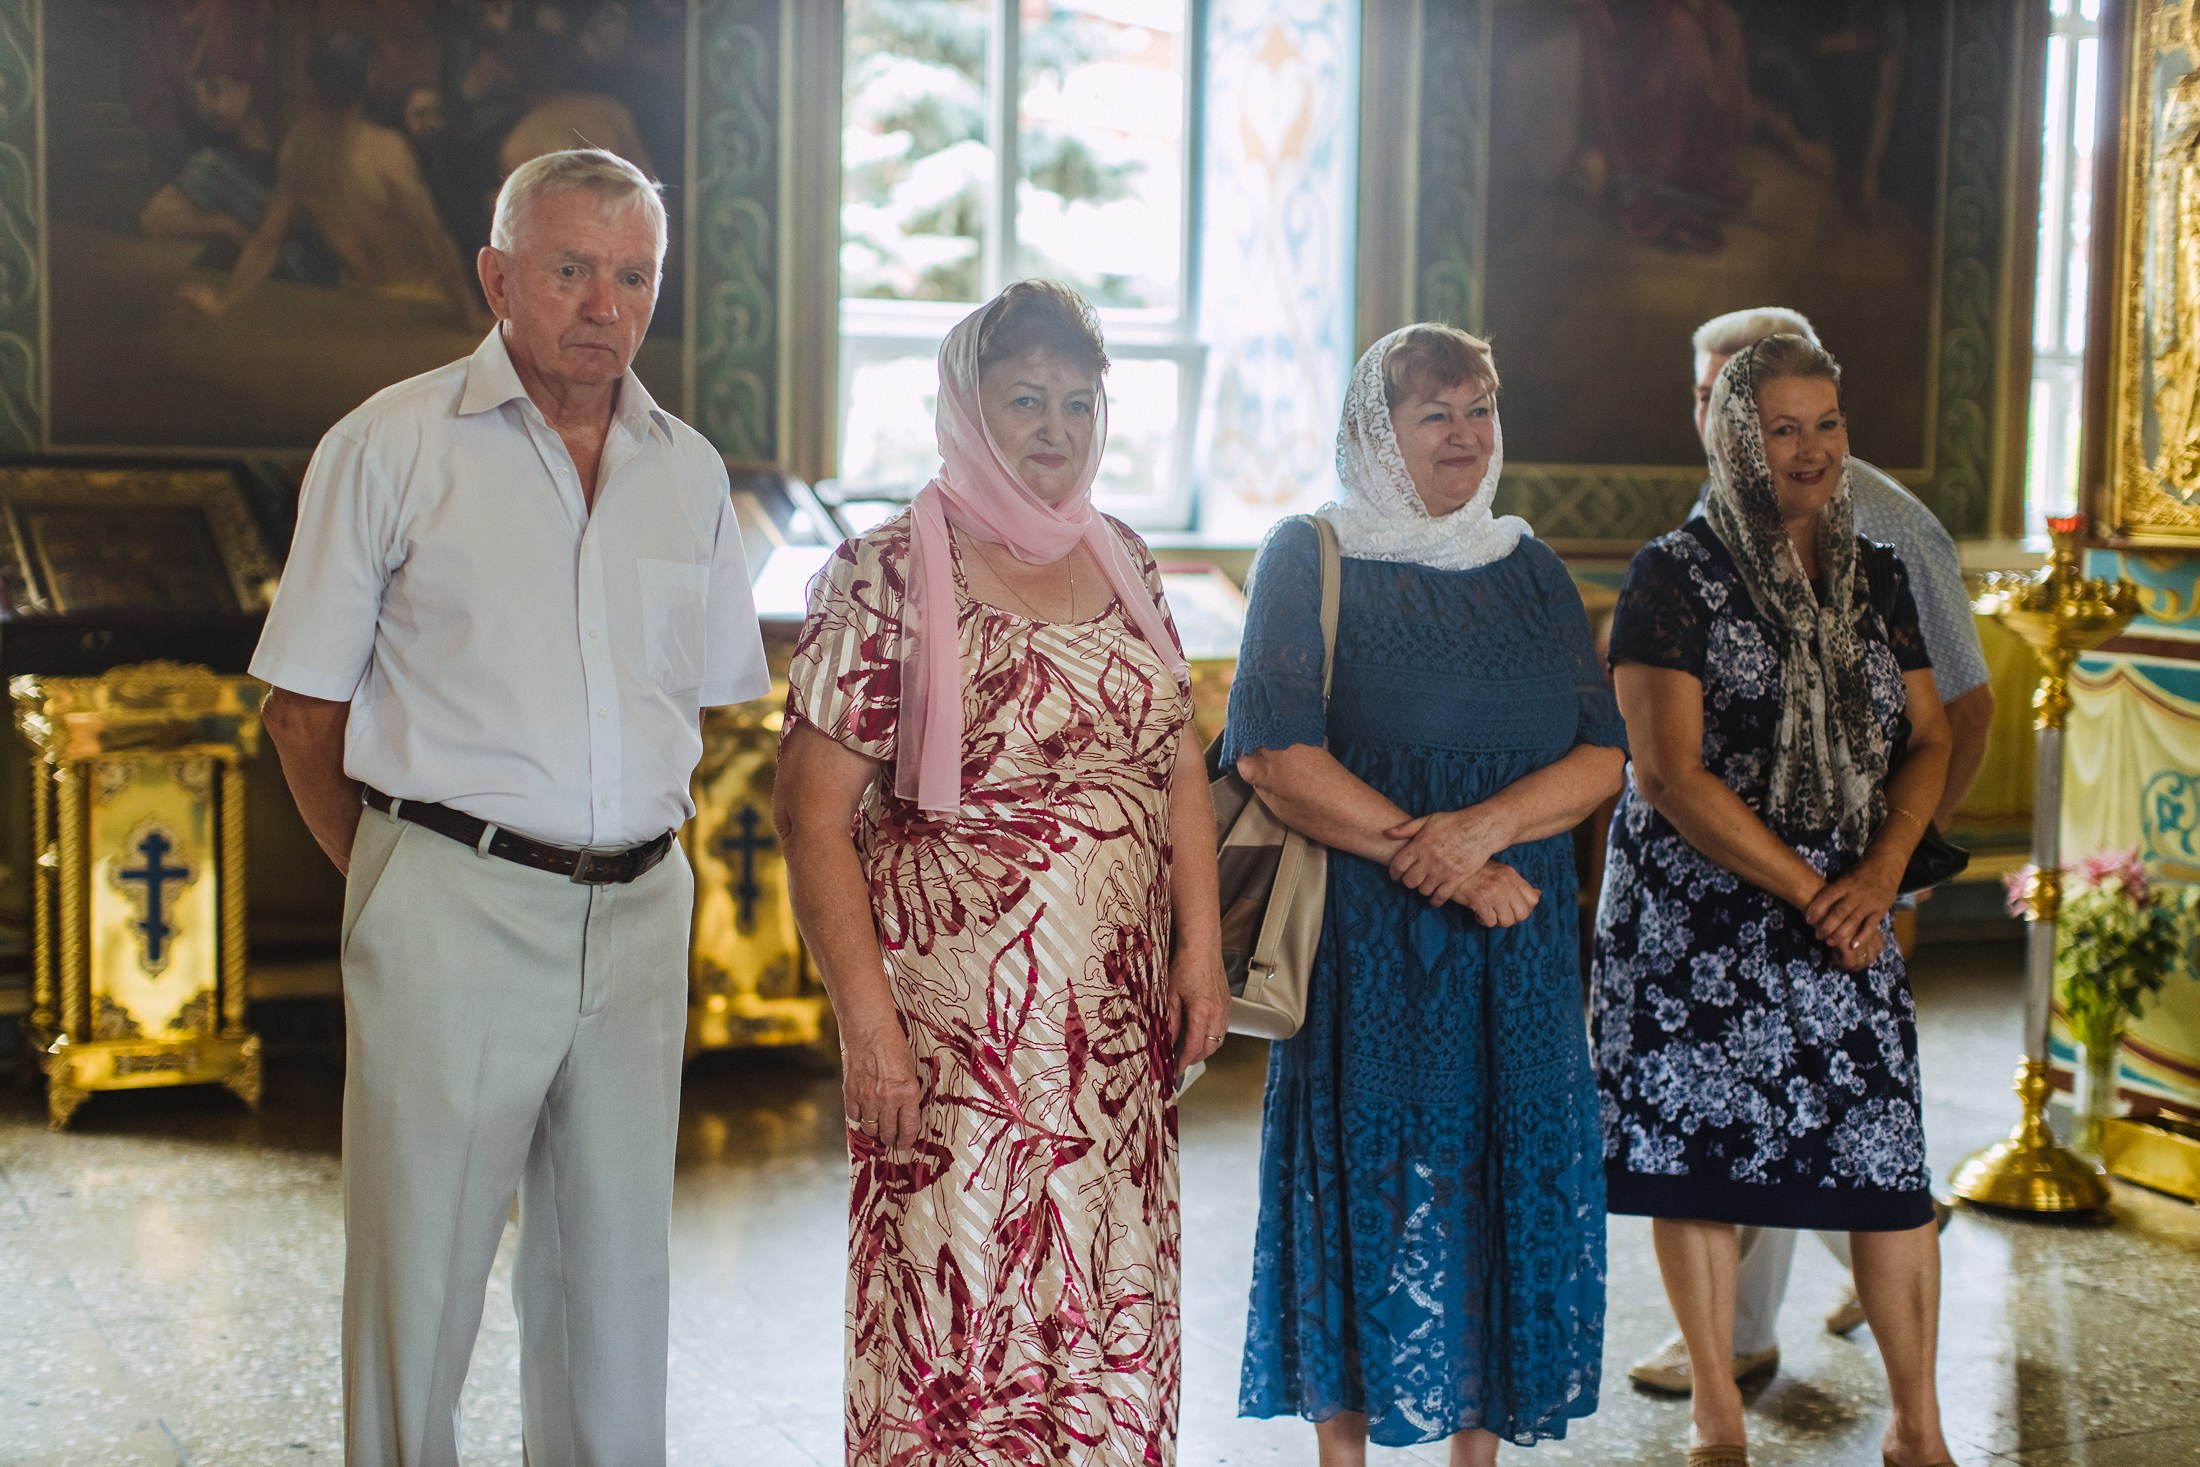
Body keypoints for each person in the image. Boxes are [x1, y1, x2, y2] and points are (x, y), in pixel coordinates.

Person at [251, 148, 767, 1463]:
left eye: (634, 276)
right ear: (495, 278)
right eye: (571, 269)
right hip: (450, 902)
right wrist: (397, 881)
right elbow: (300, 712)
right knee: (420, 1279)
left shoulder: (689, 471)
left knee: (615, 1287)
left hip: (640, 909)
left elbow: (697, 704)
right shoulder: (391, 446)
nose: (606, 304)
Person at [775, 280, 1230, 1467]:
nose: (1054, 428)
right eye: (1025, 399)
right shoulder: (883, 572)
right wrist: (866, 1028)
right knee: (962, 1304)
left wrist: (1201, 952)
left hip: (1111, 1038)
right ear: (967, 406)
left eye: (1078, 402)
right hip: (957, 1046)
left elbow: (1178, 760)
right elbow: (810, 817)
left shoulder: (1124, 557)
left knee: (1102, 1285)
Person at [1231, 325, 1627, 1466]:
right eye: (1434, 414)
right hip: (1369, 946)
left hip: (1517, 949)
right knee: (1366, 1191)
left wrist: (1484, 834)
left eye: (1480, 410)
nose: (1465, 436)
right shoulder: (1309, 553)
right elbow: (1273, 755)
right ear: (1377, 431)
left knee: (1502, 1190)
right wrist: (1445, 858)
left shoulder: (1530, 567)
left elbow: (1604, 755)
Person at [1594, 334, 1958, 1467]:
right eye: (1782, 429)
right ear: (1732, 441)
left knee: (1885, 1165)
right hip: (1696, 919)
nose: (1811, 450)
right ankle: (1718, 1414)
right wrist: (1815, 891)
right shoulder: (1671, 575)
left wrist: (1880, 874)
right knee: (1699, 1163)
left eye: (1827, 424)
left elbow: (1931, 736)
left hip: (1851, 903)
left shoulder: (1877, 574)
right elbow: (1668, 774)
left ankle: (1918, 1426)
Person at [180, 32, 484, 327]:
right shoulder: (387, 151)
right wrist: (471, 316)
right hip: (407, 300)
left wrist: (223, 302)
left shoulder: (301, 148)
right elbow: (434, 238)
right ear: (368, 80)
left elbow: (268, 242)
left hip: (358, 299)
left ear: (314, 85)